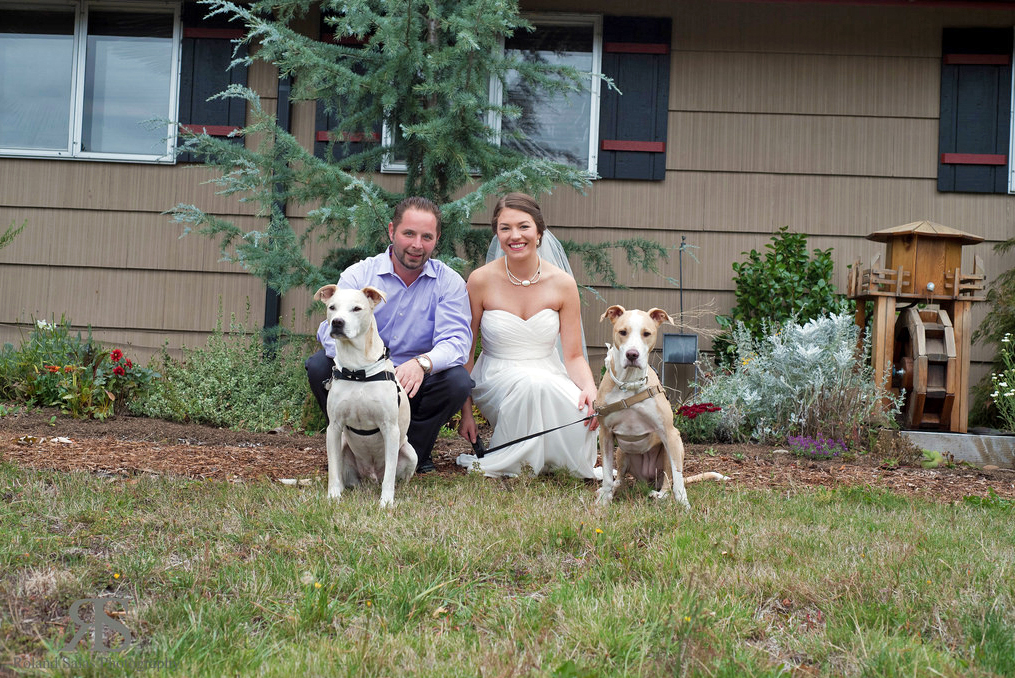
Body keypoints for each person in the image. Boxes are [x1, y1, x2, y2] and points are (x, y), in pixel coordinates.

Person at [305, 196, 473, 474]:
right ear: (392, 230)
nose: (417, 245)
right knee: (319, 366)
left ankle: (414, 453)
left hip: (414, 383)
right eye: (409, 233)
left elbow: (456, 342)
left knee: (457, 381)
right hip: (362, 377)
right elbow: (331, 333)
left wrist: (422, 364)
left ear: (437, 239)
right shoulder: (359, 275)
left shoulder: (449, 282)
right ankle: (351, 452)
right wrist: (373, 370)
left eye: (426, 237)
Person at [456, 193, 600, 478]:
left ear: (539, 232)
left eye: (523, 226)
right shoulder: (480, 280)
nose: (515, 235)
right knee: (531, 386)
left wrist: (590, 390)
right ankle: (516, 462)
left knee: (576, 408)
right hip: (497, 374)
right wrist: (466, 412)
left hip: (548, 370)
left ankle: (550, 462)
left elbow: (572, 356)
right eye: (505, 228)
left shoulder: (562, 284)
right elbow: (466, 353)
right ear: (496, 233)